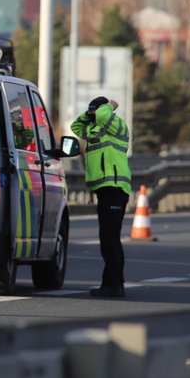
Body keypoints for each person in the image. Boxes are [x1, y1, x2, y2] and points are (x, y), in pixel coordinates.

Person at [71, 96, 132, 297]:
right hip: (105, 190)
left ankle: (113, 285)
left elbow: (104, 114)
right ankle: (115, 283)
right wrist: (89, 114)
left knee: (109, 239)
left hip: (115, 187)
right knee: (109, 238)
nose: (92, 116)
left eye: (94, 113)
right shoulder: (95, 129)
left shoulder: (117, 125)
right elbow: (76, 126)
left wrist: (108, 105)